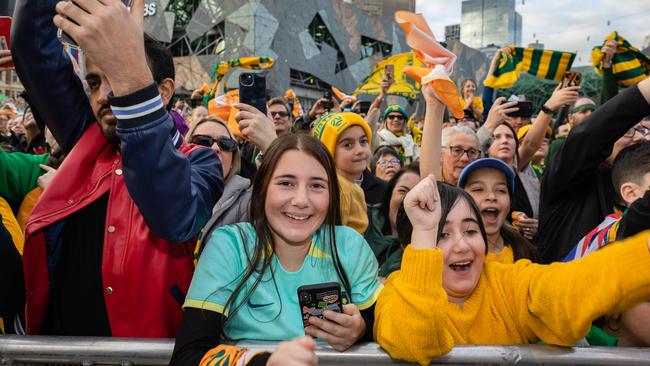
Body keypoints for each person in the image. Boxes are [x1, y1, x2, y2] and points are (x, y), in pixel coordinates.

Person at [13, 0, 223, 337]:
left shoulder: (201, 159)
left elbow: (174, 215)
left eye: (116, 76)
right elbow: (30, 39)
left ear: (164, 90)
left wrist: (130, 72)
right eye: (94, 82)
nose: (103, 95)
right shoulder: (88, 140)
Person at [374, 175, 650, 366]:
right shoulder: (396, 293)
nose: (461, 245)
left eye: (471, 230)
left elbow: (566, 289)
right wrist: (424, 230)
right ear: (412, 245)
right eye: (441, 235)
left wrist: (645, 252)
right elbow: (416, 340)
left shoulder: (507, 280)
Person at [171, 133, 381, 366]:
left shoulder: (349, 245)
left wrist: (361, 328)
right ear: (262, 189)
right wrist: (263, 363)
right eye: (286, 183)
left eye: (317, 186)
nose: (301, 199)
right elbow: (188, 355)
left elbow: (382, 323)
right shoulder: (230, 245)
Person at [538, 75, 650, 262]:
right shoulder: (567, 181)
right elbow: (588, 137)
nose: (638, 137)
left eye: (643, 130)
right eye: (628, 130)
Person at [457, 158, 540, 263]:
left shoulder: (525, 251)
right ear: (461, 200)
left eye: (501, 190)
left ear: (510, 203)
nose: (491, 196)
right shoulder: (451, 253)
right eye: (478, 189)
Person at [186, 116, 251, 240]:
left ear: (233, 159)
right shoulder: (167, 193)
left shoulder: (249, 204)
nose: (215, 148)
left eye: (225, 143)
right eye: (203, 141)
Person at [312, 112, 373, 233]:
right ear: (329, 151)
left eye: (363, 141)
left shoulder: (350, 185)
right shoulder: (341, 188)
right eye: (348, 145)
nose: (360, 150)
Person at [364, 164, 420, 279]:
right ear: (390, 194)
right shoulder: (362, 222)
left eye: (416, 193)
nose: (408, 199)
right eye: (403, 190)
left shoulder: (420, 251)